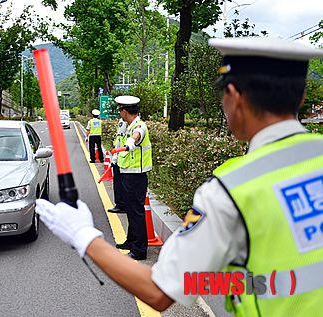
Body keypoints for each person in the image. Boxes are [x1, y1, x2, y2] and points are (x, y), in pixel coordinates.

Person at [35, 37, 323, 316]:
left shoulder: (232, 190)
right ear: (300, 96)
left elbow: (158, 292)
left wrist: (85, 237)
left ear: (234, 96)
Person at [111, 95, 152, 260]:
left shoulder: (139, 126)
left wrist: (130, 143)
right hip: (127, 173)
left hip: (136, 176)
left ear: (125, 111)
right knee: (130, 210)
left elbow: (136, 136)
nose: (119, 113)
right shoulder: (128, 125)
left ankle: (140, 250)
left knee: (136, 212)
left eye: (120, 110)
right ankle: (131, 241)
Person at [107, 118, 127, 214]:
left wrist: (114, 157)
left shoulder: (123, 122)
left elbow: (120, 139)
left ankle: (120, 205)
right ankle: (123, 204)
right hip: (124, 159)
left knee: (118, 184)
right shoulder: (132, 123)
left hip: (121, 159)